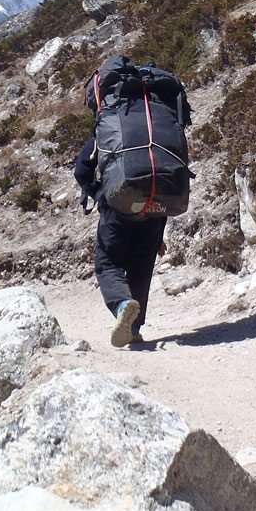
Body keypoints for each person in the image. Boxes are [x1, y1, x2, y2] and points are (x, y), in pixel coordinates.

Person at [73, 131, 166, 348]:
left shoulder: (107, 130)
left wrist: (98, 195)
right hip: (155, 210)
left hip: (118, 207)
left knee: (108, 263)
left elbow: (81, 171)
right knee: (141, 267)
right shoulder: (159, 131)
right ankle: (133, 330)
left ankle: (122, 303)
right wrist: (160, 234)